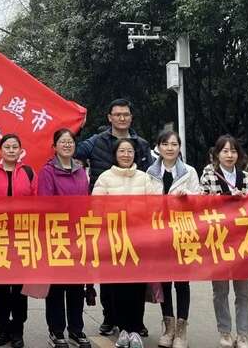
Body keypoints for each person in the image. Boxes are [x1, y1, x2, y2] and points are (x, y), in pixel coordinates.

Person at [74, 98, 154, 337]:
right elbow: (72, 150)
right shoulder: (96, 142)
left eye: (125, 114)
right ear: (109, 117)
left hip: (137, 226)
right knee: (109, 274)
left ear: (131, 117)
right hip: (107, 222)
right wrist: (76, 126)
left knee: (137, 275)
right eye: (117, 114)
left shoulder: (141, 144)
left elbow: (152, 175)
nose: (121, 118)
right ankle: (110, 317)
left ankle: (136, 322)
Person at [93, 137, 154, 348]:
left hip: (138, 242)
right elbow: (96, 209)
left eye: (130, 151)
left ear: (135, 154)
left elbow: (154, 207)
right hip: (114, 242)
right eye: (122, 151)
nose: (126, 155)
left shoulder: (144, 178)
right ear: (115, 154)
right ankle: (123, 330)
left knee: (137, 288)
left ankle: (135, 329)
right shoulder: (105, 178)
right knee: (117, 287)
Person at [200, 135, 248, 348]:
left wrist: (246, 200)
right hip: (219, 240)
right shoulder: (208, 176)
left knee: (243, 291)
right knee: (220, 290)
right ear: (217, 154)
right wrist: (226, 201)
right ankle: (225, 332)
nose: (229, 155)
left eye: (233, 151)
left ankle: (243, 334)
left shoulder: (247, 178)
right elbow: (203, 204)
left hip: (243, 242)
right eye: (224, 151)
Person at [38, 128, 92, 348]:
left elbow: (86, 201)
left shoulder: (80, 170)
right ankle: (56, 330)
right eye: (63, 141)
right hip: (57, 235)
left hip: (78, 234)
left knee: (76, 286)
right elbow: (45, 204)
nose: (67, 145)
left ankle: (76, 330)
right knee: (57, 287)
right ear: (55, 146)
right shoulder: (47, 171)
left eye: (70, 141)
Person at [146, 130, 200, 348]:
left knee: (182, 282)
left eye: (174, 144)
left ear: (179, 147)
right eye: (165, 144)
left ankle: (181, 329)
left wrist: (187, 199)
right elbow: (144, 203)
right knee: (164, 280)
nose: (170, 148)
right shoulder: (149, 173)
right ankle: (168, 327)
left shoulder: (189, 172)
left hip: (182, 231)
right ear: (158, 147)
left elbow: (199, 200)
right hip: (159, 234)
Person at [0, 134, 37, 348]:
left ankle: (18, 330)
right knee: (1, 286)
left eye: (15, 147)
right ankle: (2, 329)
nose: (11, 150)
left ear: (20, 150)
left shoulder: (28, 172)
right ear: (0, 150)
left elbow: (37, 202)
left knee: (18, 286)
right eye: (7, 147)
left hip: (21, 234)